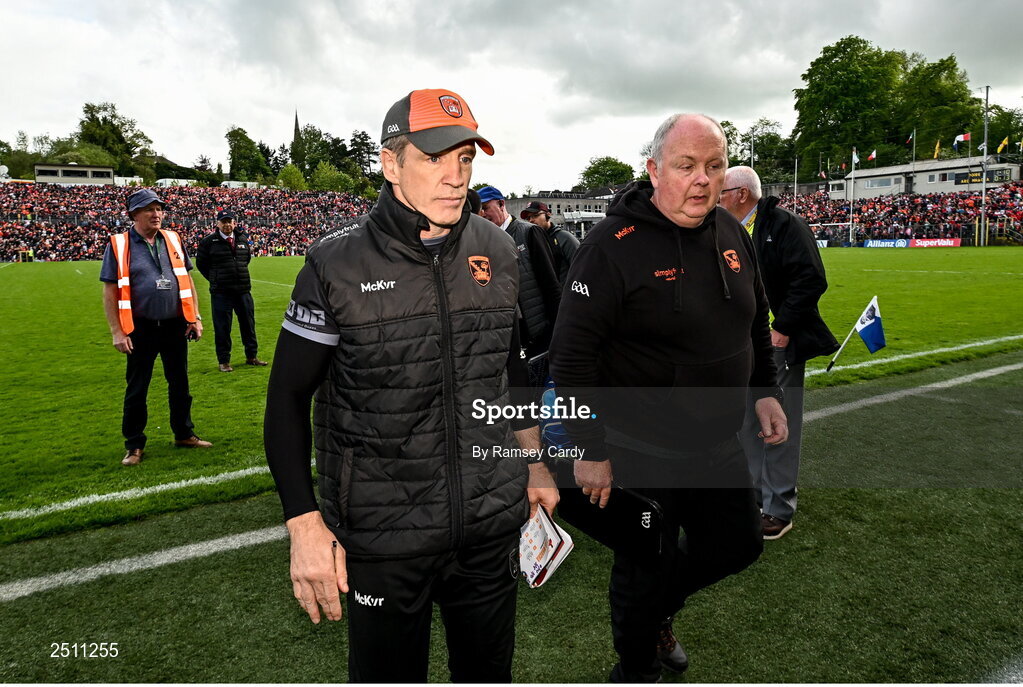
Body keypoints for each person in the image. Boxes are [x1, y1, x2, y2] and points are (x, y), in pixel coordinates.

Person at [263, 88, 558, 684]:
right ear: (390, 163)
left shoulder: (499, 250)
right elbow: (286, 401)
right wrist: (303, 523)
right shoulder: (334, 265)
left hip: (486, 522)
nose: (456, 177)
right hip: (383, 536)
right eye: (434, 158)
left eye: (467, 159)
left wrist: (534, 464)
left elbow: (512, 368)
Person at [549, 114, 787, 682]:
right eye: (686, 166)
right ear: (654, 170)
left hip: (716, 442)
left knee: (738, 545)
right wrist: (588, 448)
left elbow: (755, 320)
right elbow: (571, 357)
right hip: (637, 448)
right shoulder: (610, 246)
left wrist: (764, 393)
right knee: (644, 564)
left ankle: (658, 613)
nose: (703, 180)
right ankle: (634, 669)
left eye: (714, 165)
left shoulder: (731, 232)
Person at [719, 166, 838, 540]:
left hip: (777, 344)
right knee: (746, 424)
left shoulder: (784, 225)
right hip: (741, 346)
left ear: (741, 193)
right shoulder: (726, 230)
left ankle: (778, 507)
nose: (714, 199)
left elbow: (811, 278)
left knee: (777, 425)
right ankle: (754, 498)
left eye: (721, 192)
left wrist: (782, 328)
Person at [100, 188, 212, 466]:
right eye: (149, 209)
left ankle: (184, 433)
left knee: (180, 383)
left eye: (159, 208)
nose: (157, 214)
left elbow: (187, 281)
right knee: (137, 388)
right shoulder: (119, 244)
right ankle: (134, 444)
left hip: (175, 326)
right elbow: (110, 291)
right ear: (134, 214)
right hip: (140, 328)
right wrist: (117, 330)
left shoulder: (173, 239)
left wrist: (194, 317)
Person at [477, 185, 561, 358]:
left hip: (539, 331)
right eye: (479, 210)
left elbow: (551, 283)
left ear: (501, 204)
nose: (483, 214)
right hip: (508, 335)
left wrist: (560, 326)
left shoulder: (529, 232)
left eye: (486, 208)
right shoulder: (483, 240)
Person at [195, 209, 267, 372]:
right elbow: (201, 264)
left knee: (248, 325)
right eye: (224, 221)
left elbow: (245, 259)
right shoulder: (209, 242)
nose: (227, 224)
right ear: (218, 224)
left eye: (230, 221)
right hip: (221, 292)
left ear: (234, 223)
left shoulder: (242, 239)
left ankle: (251, 356)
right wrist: (215, 279)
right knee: (222, 327)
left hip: (243, 290)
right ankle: (224, 361)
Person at [520, 200, 580, 284]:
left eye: (535, 215)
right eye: (528, 218)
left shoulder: (565, 238)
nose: (531, 220)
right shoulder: (529, 242)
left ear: (548, 215)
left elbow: (582, 268)